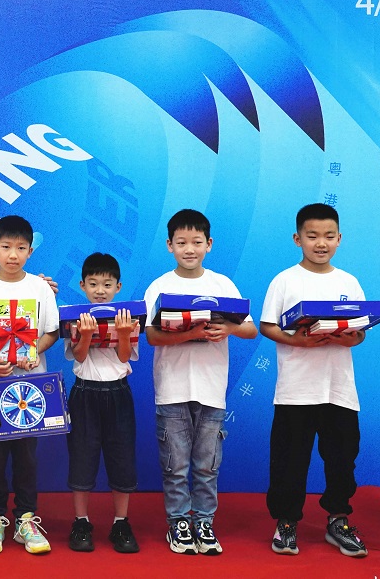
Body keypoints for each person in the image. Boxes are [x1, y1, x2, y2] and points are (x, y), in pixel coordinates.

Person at [144, 209, 257, 555]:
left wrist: (229, 328)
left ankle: (204, 522)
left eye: (196, 242)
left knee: (208, 465)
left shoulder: (222, 284)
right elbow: (151, 336)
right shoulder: (160, 286)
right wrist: (190, 334)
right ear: (169, 245)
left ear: (209, 244)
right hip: (172, 389)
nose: (189, 249)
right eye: (181, 243)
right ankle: (179, 523)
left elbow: (251, 329)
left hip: (212, 390)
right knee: (175, 465)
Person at [259, 203, 369, 557]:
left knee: (342, 460)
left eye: (328, 236)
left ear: (339, 239)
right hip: (296, 390)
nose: (321, 243)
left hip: (339, 389)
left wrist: (350, 338)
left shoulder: (349, 282)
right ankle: (286, 522)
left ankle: (338, 521)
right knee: (289, 461)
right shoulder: (285, 280)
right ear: (297, 239)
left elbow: (360, 332)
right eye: (312, 236)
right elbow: (267, 325)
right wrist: (299, 341)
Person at [0, 215, 59, 555]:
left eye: (21, 248)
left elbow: (52, 331)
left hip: (30, 388)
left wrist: (34, 352)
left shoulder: (39, 288)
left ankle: (26, 518)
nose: (13, 254)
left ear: (30, 252)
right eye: (6, 247)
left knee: (26, 457)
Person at [65, 253, 140, 554]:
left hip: (118, 393)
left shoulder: (128, 318)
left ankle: (121, 522)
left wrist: (123, 333)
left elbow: (124, 357)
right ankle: (81, 521)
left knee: (122, 457)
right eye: (93, 284)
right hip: (84, 393)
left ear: (118, 287)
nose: (100, 290)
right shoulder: (74, 317)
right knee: (82, 457)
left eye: (107, 284)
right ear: (82, 285)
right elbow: (79, 355)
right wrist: (84, 335)